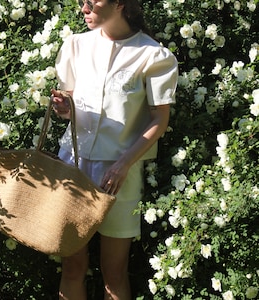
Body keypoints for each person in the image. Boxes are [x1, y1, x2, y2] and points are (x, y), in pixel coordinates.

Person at [51, 0, 178, 299]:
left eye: (93, 3)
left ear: (120, 4)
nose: (84, 9)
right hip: (72, 164)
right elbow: (71, 105)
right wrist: (63, 106)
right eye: (83, 2)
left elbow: (159, 120)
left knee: (114, 272)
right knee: (71, 265)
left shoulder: (152, 55)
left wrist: (123, 164)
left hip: (120, 173)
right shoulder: (75, 46)